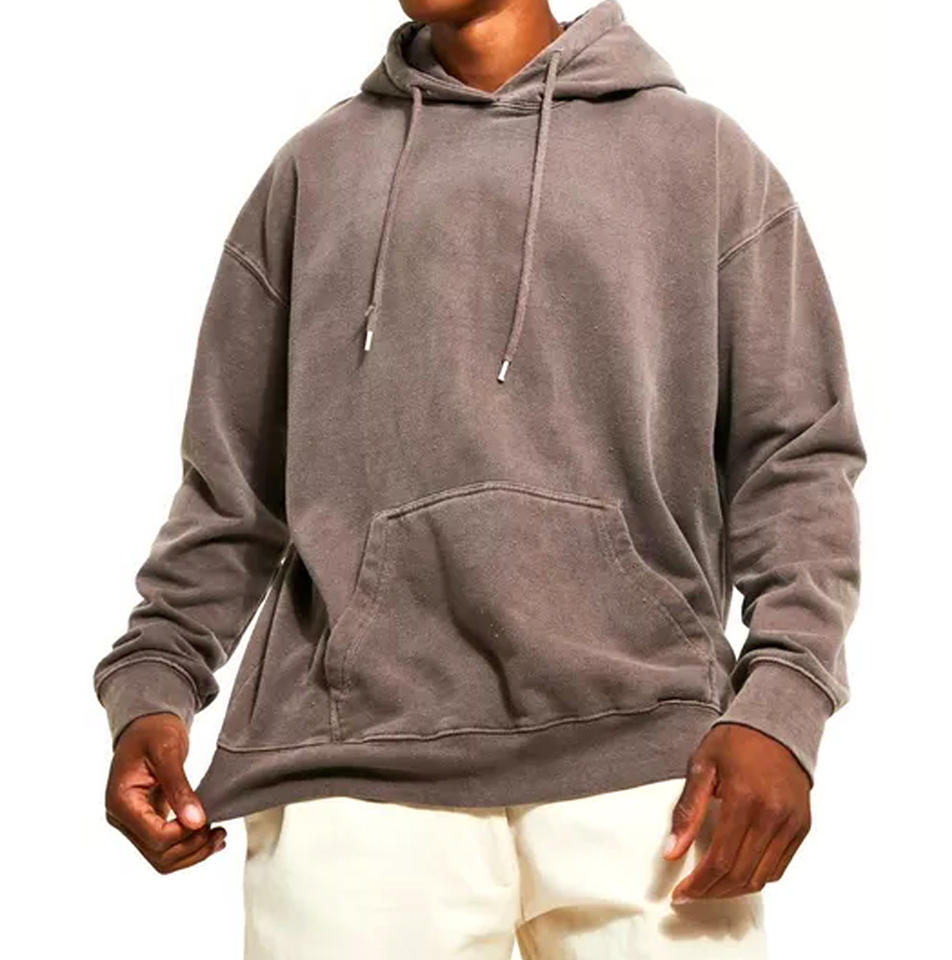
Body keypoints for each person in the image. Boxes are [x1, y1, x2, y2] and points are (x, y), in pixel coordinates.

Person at [93, 1, 866, 956]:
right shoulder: (313, 173)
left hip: (646, 765)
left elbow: (796, 459)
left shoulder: (701, 157)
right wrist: (152, 686)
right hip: (355, 781)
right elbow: (229, 492)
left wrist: (783, 708)